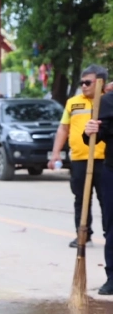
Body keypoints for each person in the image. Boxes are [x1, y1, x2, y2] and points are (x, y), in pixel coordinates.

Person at [50, 65, 107, 247]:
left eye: (88, 82)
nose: (83, 86)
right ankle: (83, 235)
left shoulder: (109, 101)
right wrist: (56, 153)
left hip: (105, 160)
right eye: (81, 82)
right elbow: (64, 128)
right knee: (81, 200)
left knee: (107, 200)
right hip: (79, 159)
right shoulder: (73, 102)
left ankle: (109, 236)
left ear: (100, 83)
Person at [83, 87, 113, 294]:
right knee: (112, 226)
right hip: (112, 170)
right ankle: (112, 276)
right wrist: (89, 131)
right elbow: (97, 134)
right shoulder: (108, 101)